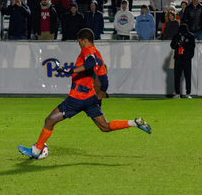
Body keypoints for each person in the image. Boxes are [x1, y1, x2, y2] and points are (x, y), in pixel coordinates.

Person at [18, 28, 152, 159]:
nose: (79, 44)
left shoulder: (87, 51)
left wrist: (71, 70)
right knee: (104, 126)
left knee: (49, 121)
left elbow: (90, 62)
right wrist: (99, 98)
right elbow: (104, 82)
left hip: (76, 98)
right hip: (90, 99)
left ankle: (36, 151)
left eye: (79, 41)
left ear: (85, 40)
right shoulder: (99, 57)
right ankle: (134, 123)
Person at [170, 24, 195, 99]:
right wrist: (177, 44)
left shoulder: (191, 36)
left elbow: (192, 47)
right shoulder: (176, 36)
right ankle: (177, 93)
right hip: (178, 59)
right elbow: (172, 46)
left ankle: (188, 93)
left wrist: (185, 46)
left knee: (188, 76)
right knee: (177, 76)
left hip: (187, 59)